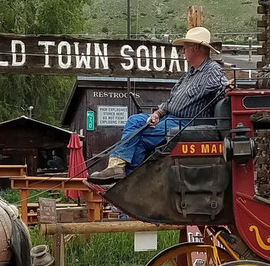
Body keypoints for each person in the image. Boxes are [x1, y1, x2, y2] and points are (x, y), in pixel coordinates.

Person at [89, 26, 230, 181]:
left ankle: (120, 172)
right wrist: (157, 113)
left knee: (136, 130)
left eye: (185, 47)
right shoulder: (188, 75)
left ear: (195, 47)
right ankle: (128, 182)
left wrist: (229, 88)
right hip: (169, 118)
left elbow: (224, 85)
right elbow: (170, 102)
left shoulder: (211, 70)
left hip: (187, 123)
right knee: (137, 131)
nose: (183, 51)